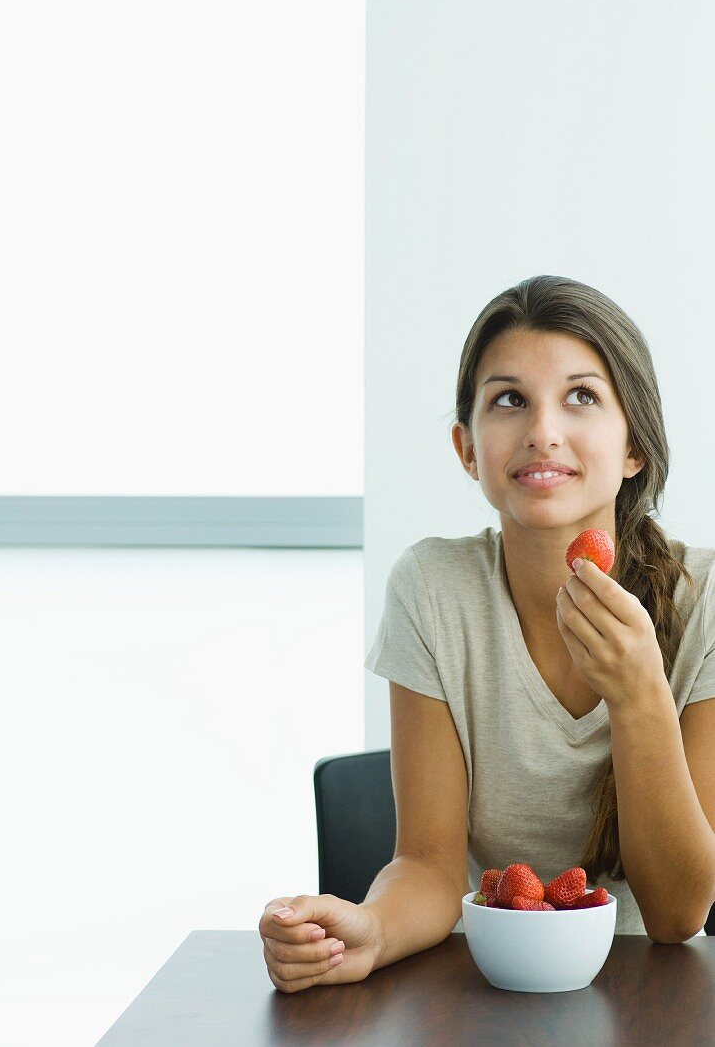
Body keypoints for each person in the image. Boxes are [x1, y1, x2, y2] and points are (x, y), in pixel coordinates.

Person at [259, 274, 715, 993]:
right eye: (510, 399)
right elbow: (430, 864)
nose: (542, 430)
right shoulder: (431, 589)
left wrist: (638, 698)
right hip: (477, 987)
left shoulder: (706, 600)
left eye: (582, 396)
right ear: (467, 448)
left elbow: (677, 915)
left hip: (644, 993)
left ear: (635, 448)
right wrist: (370, 930)